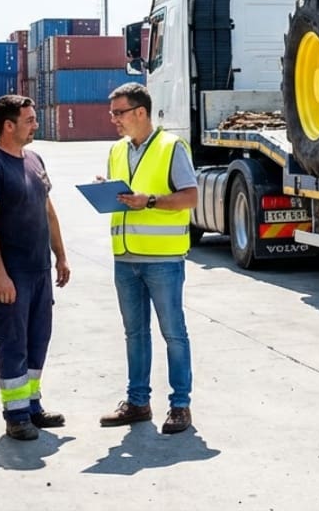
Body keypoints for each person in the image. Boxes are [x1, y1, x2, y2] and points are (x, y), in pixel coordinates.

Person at [100, 82, 199, 434]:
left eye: (118, 113)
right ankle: (138, 402)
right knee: (134, 334)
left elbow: (190, 197)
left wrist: (151, 201)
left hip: (163, 260)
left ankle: (180, 406)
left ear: (140, 112)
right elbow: (124, 193)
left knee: (174, 333)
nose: (113, 119)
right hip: (125, 257)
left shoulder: (172, 147)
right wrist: (105, 190)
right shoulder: (116, 150)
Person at [0, 95, 71, 441]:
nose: (35, 124)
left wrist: (60, 255)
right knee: (13, 341)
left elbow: (48, 209)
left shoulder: (35, 159)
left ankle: (31, 405)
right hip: (10, 272)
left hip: (39, 269)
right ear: (8, 125)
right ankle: (14, 415)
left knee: (37, 339)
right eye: (29, 120)